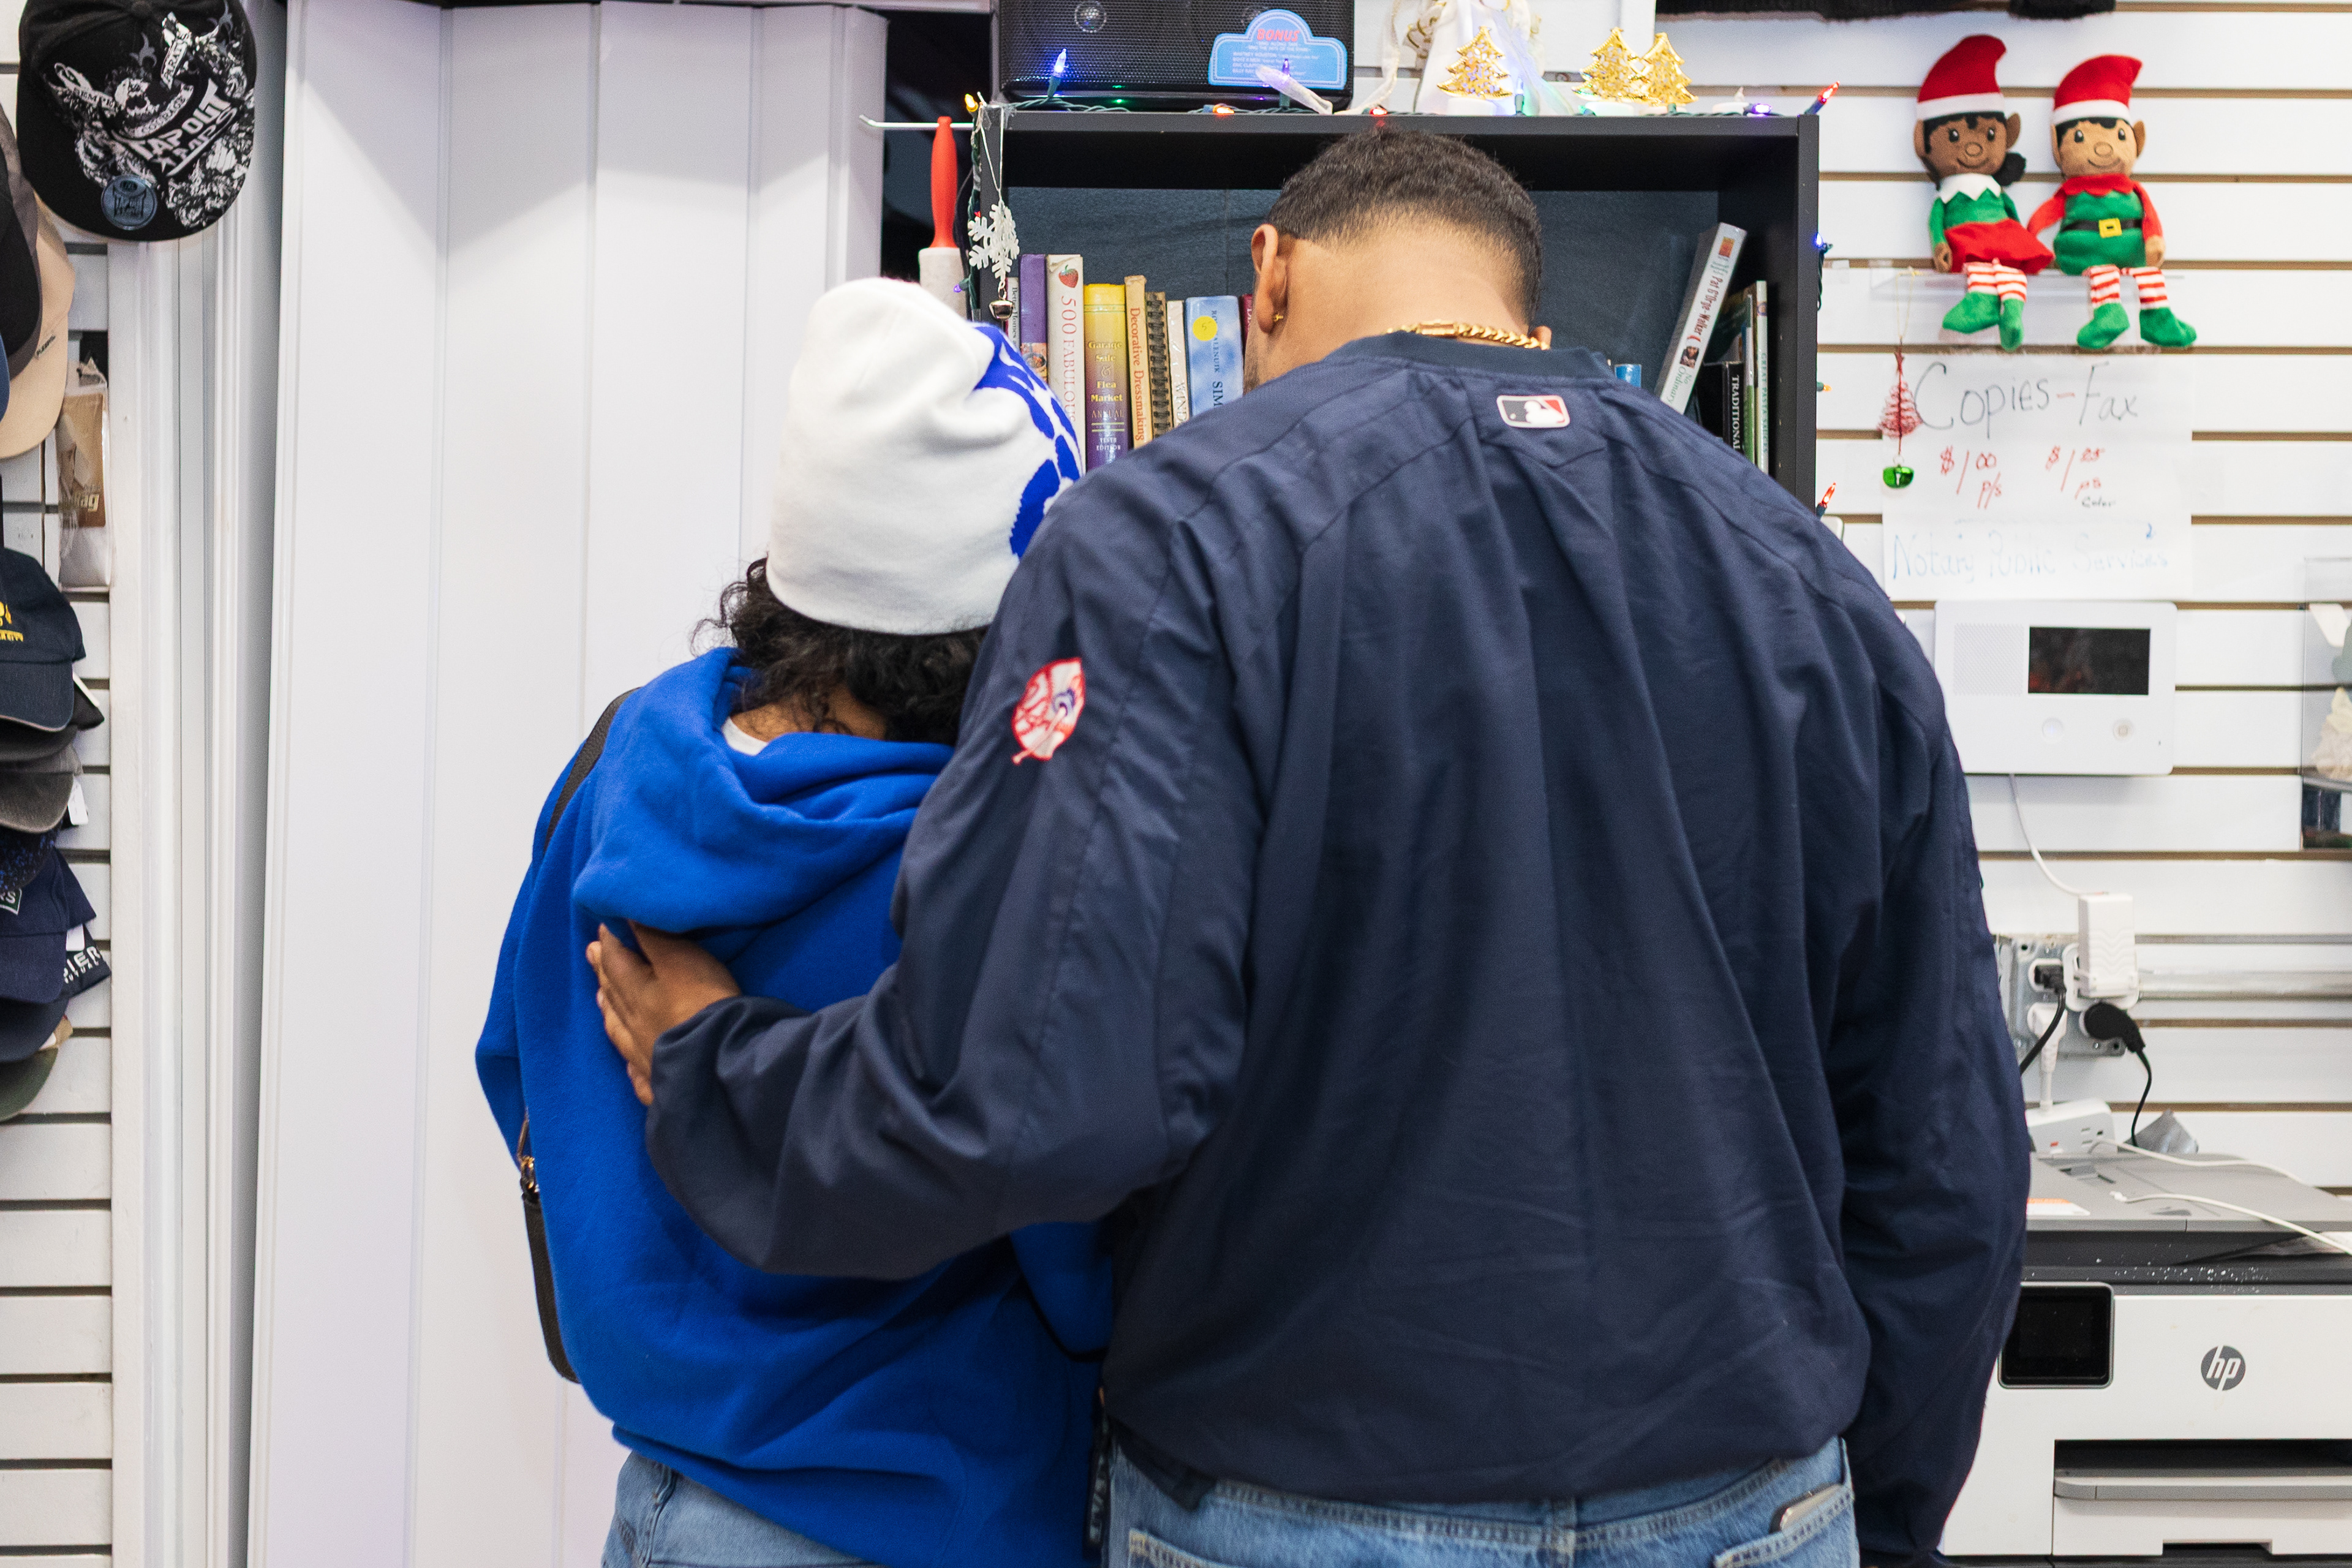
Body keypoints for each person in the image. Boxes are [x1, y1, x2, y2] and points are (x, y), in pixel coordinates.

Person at [591, 129, 2030, 1568]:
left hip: (1299, 1498)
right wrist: (1876, 1514)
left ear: (1266, 274)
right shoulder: (1810, 578)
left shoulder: (1169, 540)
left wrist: (724, 1074)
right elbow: (1946, 1151)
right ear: (1523, 307)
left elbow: (1029, 1088)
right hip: (1752, 1501)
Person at [477, 277, 1104, 1568]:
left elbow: (515, 1063)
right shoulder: (968, 873)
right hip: (911, 1512)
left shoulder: (621, 765)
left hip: (664, 1497)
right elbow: (1077, 1255)